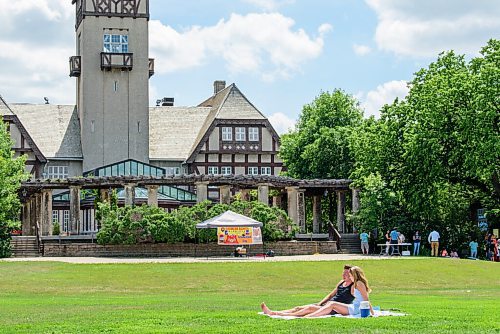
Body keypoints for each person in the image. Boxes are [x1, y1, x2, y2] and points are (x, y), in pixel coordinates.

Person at [261, 265, 355, 316]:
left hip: (335, 309)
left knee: (309, 308)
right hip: (327, 305)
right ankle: (275, 311)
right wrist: (320, 303)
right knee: (298, 307)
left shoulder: (353, 286)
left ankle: (277, 314)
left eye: (346, 273)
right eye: (343, 273)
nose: (343, 275)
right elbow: (330, 296)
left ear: (351, 274)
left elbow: (361, 295)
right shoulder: (341, 282)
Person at [303, 266, 374, 317]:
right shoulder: (357, 283)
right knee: (331, 303)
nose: (349, 276)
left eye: (350, 275)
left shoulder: (359, 283)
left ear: (354, 275)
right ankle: (310, 315)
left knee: (332, 304)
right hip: (354, 306)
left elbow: (366, 299)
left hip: (357, 309)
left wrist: (372, 312)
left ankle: (310, 316)